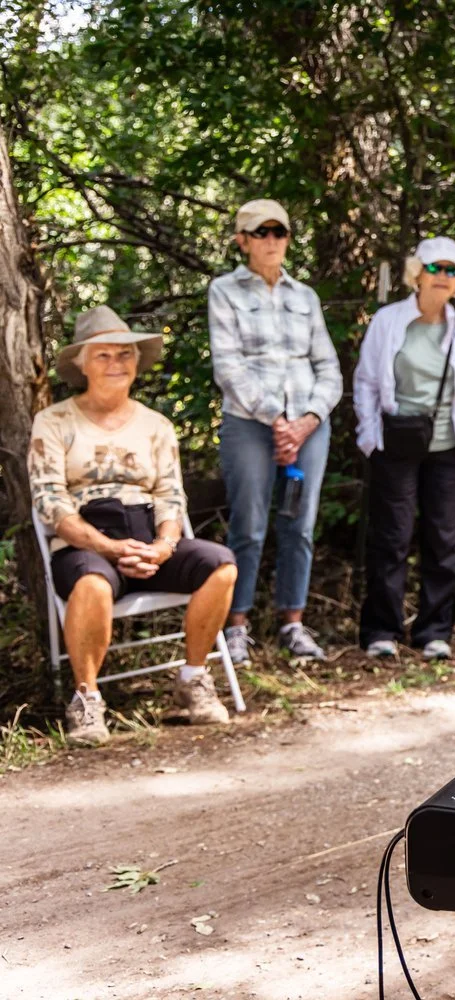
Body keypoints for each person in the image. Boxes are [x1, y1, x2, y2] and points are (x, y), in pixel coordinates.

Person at [29, 307, 236, 747]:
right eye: (103, 355)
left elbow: (171, 495)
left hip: (148, 533)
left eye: (125, 354)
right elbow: (51, 503)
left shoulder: (156, 425)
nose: (116, 363)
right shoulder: (54, 421)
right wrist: (107, 547)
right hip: (84, 537)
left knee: (221, 565)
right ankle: (87, 699)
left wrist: (163, 545)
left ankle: (193, 681)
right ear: (82, 364)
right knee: (91, 584)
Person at [209, 199, 343, 664]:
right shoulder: (223, 291)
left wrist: (307, 420)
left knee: (300, 525)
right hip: (251, 423)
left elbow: (328, 366)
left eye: (279, 232)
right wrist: (276, 419)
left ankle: (292, 623)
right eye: (260, 232)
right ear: (242, 240)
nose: (271, 240)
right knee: (248, 523)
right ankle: (236, 627)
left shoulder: (304, 296)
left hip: (307, 425)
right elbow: (228, 366)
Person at [354, 237, 455, 661]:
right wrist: (369, 435)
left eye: (453, 270)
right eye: (436, 268)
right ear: (418, 273)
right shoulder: (389, 320)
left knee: (445, 538)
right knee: (392, 535)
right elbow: (367, 381)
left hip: (449, 443)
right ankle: (381, 631)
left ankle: (434, 632)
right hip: (396, 438)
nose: (444, 277)